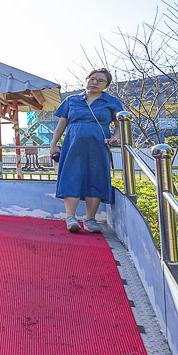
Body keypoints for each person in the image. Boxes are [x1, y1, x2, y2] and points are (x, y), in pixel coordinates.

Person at [49, 68, 123, 233]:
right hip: (73, 144)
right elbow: (62, 124)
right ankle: (71, 217)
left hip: (99, 145)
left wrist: (116, 137)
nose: (95, 82)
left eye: (100, 81)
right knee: (71, 176)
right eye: (92, 79)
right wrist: (53, 144)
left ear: (106, 85)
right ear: (87, 80)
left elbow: (120, 125)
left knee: (95, 178)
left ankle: (90, 219)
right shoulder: (71, 100)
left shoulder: (111, 101)